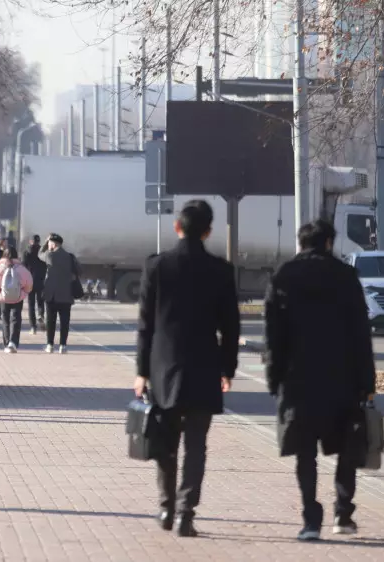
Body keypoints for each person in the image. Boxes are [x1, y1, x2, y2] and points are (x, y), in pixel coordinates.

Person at [263, 220, 377, 541]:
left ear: (301, 243)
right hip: (342, 377)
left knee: (305, 452)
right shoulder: (346, 277)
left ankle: (311, 520)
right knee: (348, 445)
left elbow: (273, 335)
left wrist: (273, 378)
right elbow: (361, 333)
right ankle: (343, 512)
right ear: (328, 243)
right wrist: (367, 382)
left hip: (297, 379)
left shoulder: (284, 276)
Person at [135, 199, 240, 538]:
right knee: (196, 445)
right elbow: (231, 327)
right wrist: (227, 369)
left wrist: (142, 370)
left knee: (165, 440)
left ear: (177, 227)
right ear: (208, 231)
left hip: (163, 366)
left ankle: (166, 507)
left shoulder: (157, 266)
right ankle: (186, 514)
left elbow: (145, 324)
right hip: (205, 366)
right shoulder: (221, 271)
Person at [39, 234, 80, 354]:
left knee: (50, 321)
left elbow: (39, 254)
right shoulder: (70, 257)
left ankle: (50, 345)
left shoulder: (49, 255)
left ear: (53, 243)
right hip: (66, 294)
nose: (48, 245)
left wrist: (45, 243)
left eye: (49, 243)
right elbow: (79, 270)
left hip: (51, 295)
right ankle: (63, 346)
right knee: (65, 322)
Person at [0, 247, 34, 353]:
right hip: (18, 297)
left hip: (3, 297)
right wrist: (23, 293)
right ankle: (13, 343)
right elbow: (29, 284)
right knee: (16, 319)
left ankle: (6, 343)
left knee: (5, 319)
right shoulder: (21, 268)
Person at [22, 235, 47, 334]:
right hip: (40, 280)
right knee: (40, 301)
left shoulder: (26, 252)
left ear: (30, 241)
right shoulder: (42, 252)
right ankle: (41, 315)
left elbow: (23, 266)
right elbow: (46, 265)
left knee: (31, 304)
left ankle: (33, 327)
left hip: (29, 281)